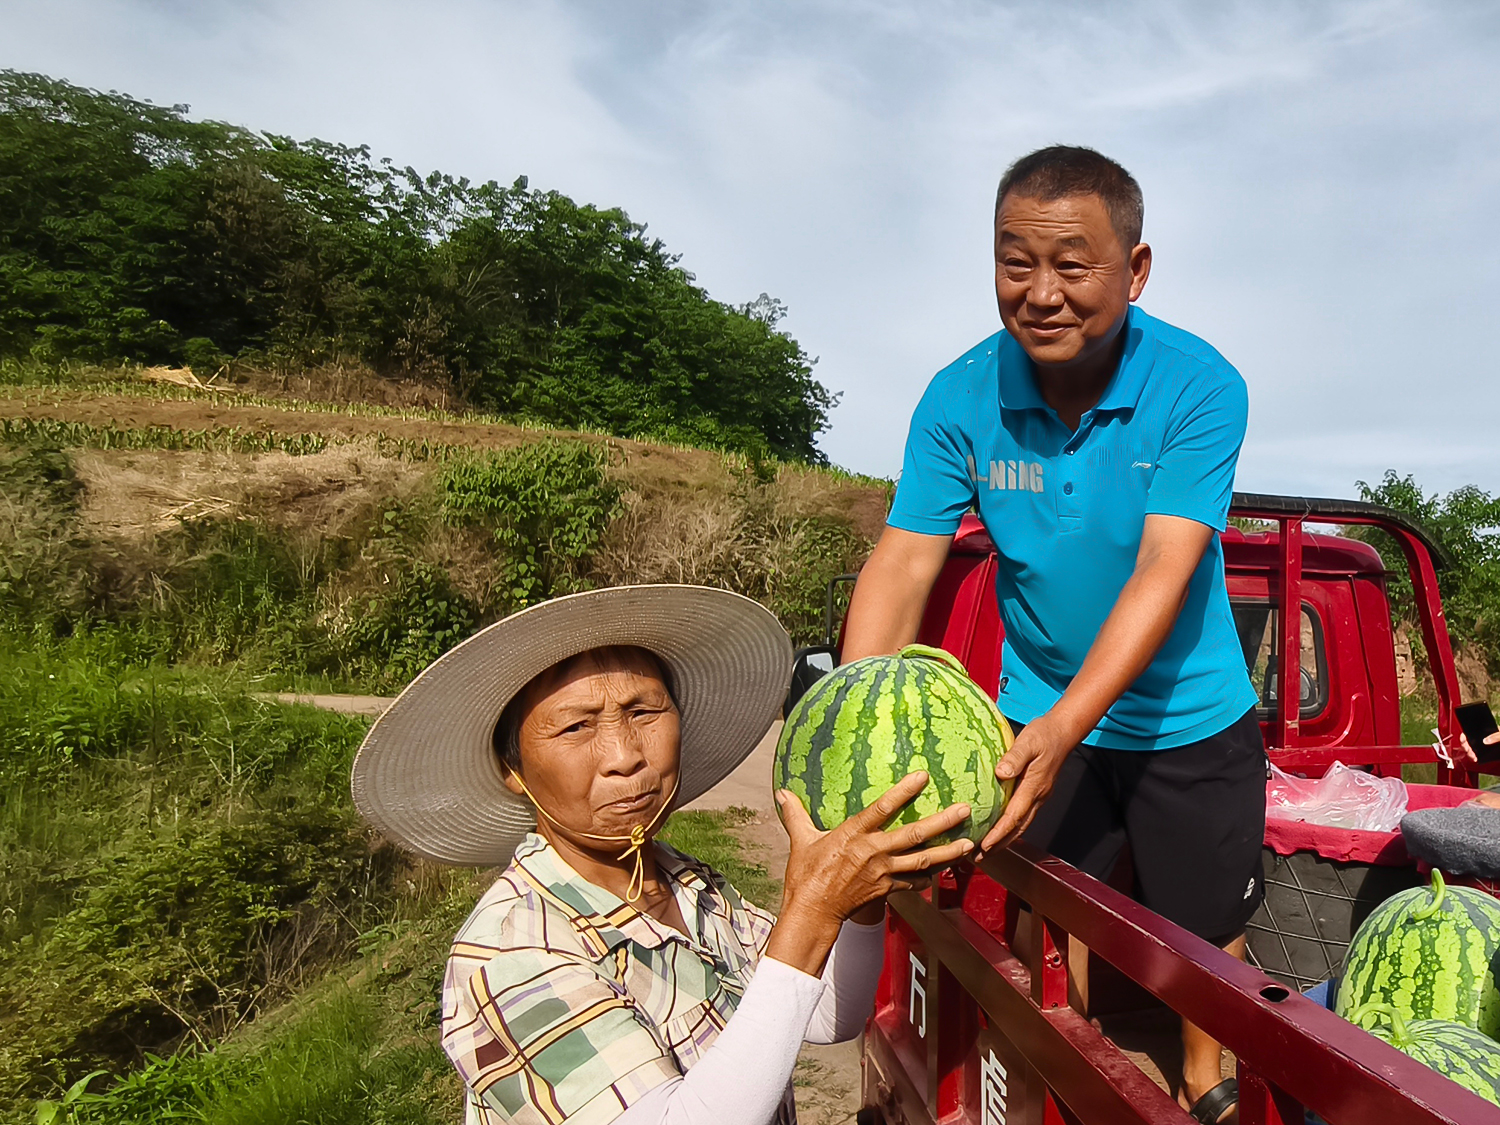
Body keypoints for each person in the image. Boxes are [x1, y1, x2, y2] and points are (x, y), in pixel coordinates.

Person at [842, 145, 1257, 1125]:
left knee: (1207, 928)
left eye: (1072, 265)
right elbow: (905, 563)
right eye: (1014, 261)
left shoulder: (1199, 386)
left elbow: (1163, 571)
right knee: (1043, 906)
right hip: (1034, 705)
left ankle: (1206, 1079)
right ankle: (1058, 1075)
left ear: (1135, 269)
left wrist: (1071, 724)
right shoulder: (959, 396)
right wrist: (853, 718)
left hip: (1188, 715)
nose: (1039, 293)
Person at [351, 584, 973, 1125]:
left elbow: (825, 1016)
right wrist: (811, 913)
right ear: (512, 769)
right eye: (577, 726)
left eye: (643, 711)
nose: (626, 756)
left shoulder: (684, 882)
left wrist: (859, 898)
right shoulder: (511, 953)